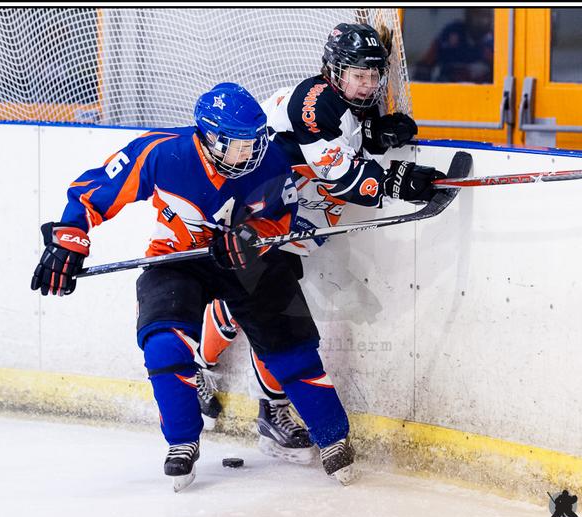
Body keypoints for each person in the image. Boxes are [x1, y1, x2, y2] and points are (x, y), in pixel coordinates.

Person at [30, 82, 358, 491]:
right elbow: (92, 192)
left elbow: (281, 216)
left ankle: (332, 435)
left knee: (290, 343)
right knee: (164, 343)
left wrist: (248, 234)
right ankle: (183, 441)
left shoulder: (270, 159)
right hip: (178, 259)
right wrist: (70, 237)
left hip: (243, 260)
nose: (249, 153)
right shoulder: (163, 153)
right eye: (237, 145)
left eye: (253, 143)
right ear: (207, 138)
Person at [196, 23, 458, 464]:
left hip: (298, 202)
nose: (369, 85)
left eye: (374, 76)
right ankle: (221, 380)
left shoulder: (348, 101)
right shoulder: (313, 104)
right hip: (257, 204)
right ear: (333, 72)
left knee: (265, 302)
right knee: (260, 302)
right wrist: (402, 180)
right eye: (358, 75)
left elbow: (344, 145)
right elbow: (346, 178)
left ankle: (255, 398)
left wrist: (378, 135)